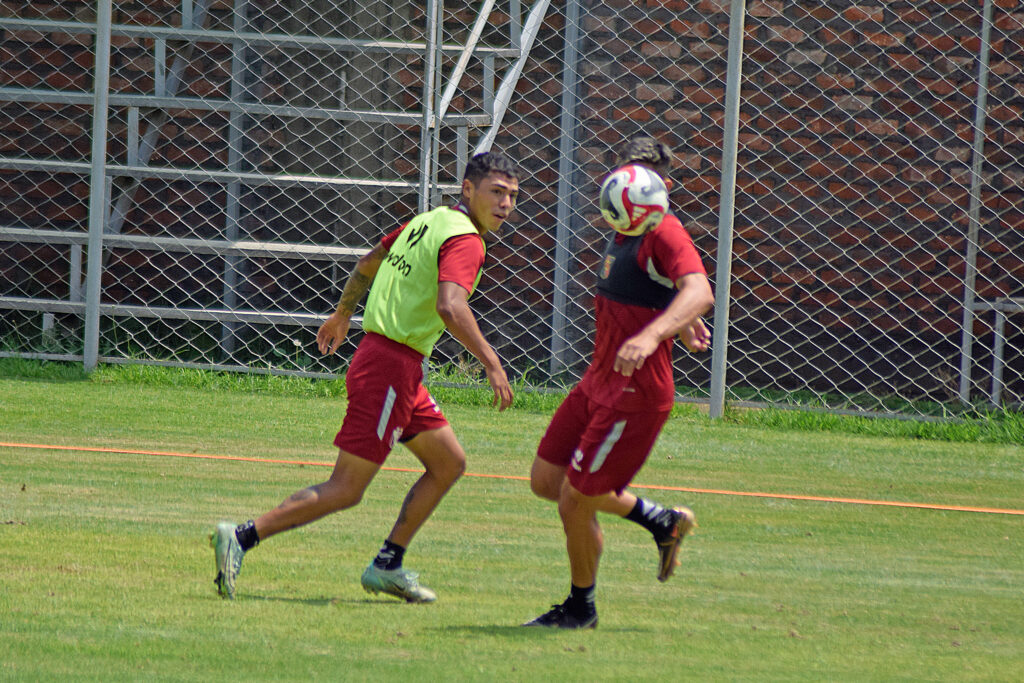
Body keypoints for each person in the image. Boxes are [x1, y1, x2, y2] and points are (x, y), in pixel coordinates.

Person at [211, 151, 520, 602]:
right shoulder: (467, 240)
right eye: (496, 192)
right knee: (346, 488)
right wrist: (492, 362)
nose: (506, 204)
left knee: (449, 462)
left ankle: (387, 565)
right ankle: (241, 537)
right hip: (390, 368)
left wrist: (342, 314)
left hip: (396, 366)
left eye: (512, 195)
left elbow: (371, 260)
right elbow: (450, 306)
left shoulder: (430, 220)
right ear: (468, 190)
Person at [523, 136, 713, 629]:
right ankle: (660, 520)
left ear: (663, 186)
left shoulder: (664, 230)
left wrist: (655, 332)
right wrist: (675, 316)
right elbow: (661, 286)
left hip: (634, 394)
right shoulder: (624, 225)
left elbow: (699, 289)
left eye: (643, 176)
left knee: (575, 499)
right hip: (597, 381)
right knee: (548, 481)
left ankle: (580, 608)